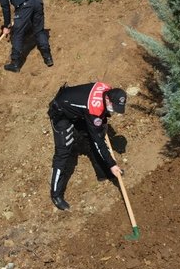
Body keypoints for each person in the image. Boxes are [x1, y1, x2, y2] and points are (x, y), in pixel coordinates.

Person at [47, 81, 127, 210]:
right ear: (107, 98)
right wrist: (112, 164)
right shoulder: (94, 108)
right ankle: (56, 195)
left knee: (92, 135)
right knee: (63, 152)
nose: (114, 110)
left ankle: (103, 173)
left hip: (78, 110)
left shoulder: (107, 89)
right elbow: (98, 141)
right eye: (114, 106)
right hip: (61, 111)